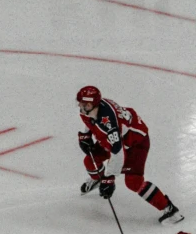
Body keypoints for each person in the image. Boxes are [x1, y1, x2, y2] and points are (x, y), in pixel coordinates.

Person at [76, 84, 180, 223]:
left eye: (86, 106)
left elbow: (117, 153)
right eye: (81, 104)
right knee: (90, 161)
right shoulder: (92, 111)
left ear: (95, 104)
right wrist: (85, 135)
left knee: (133, 182)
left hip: (135, 143)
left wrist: (110, 178)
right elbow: (90, 122)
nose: (82, 109)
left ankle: (169, 208)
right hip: (114, 139)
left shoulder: (109, 124)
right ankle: (98, 179)